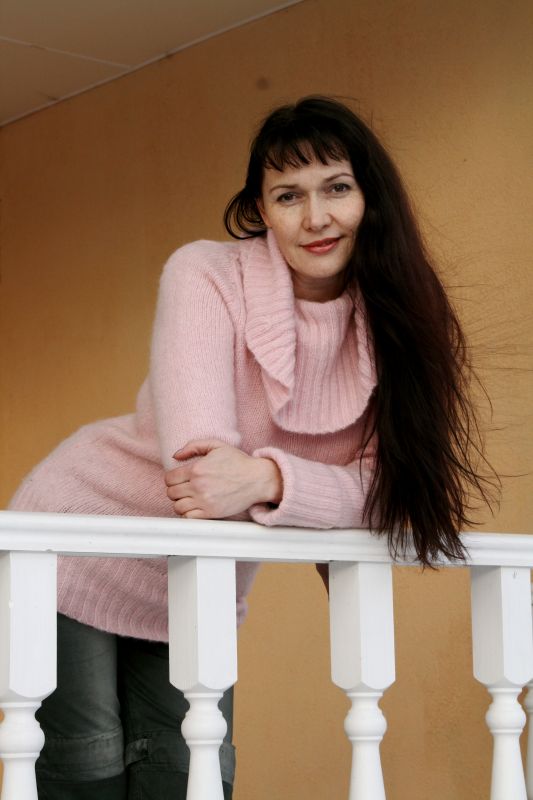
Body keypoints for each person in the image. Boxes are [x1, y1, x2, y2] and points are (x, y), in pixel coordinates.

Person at [8, 95, 495, 799]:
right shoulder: (205, 273)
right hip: (75, 541)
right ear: (261, 210)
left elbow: (397, 491)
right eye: (288, 196)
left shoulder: (400, 319)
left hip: (198, 579)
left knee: (187, 777)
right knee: (87, 770)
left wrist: (270, 479)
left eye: (336, 188)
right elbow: (201, 470)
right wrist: (309, 488)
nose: (315, 217)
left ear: (371, 198)